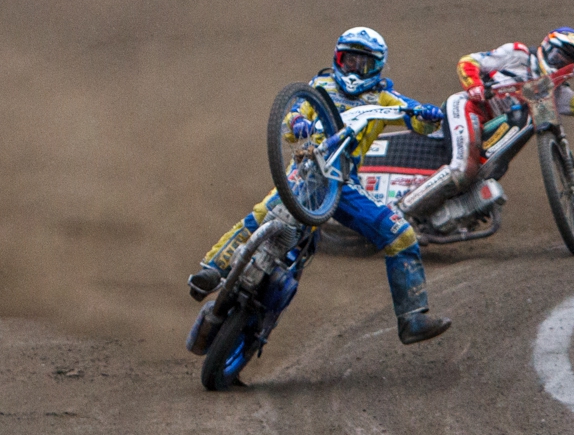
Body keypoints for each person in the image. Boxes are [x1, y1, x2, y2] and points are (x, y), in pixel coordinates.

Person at [188, 27, 453, 345]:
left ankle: (412, 318)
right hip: (305, 172)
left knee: (401, 234)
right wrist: (297, 122)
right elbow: (291, 117)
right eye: (349, 60)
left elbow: (418, 121)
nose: (354, 68)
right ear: (338, 58)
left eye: (363, 63)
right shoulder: (320, 87)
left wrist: (430, 115)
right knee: (264, 212)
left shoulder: (385, 98)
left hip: (343, 185)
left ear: (377, 67)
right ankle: (212, 269)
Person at [399, 28, 574, 220]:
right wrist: (474, 86)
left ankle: (441, 214)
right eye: (557, 56)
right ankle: (402, 209)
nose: (559, 63)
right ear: (545, 46)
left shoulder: (554, 93)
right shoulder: (518, 54)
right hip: (469, 107)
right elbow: (469, 62)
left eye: (567, 62)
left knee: (483, 176)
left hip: (491, 129)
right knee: (464, 169)